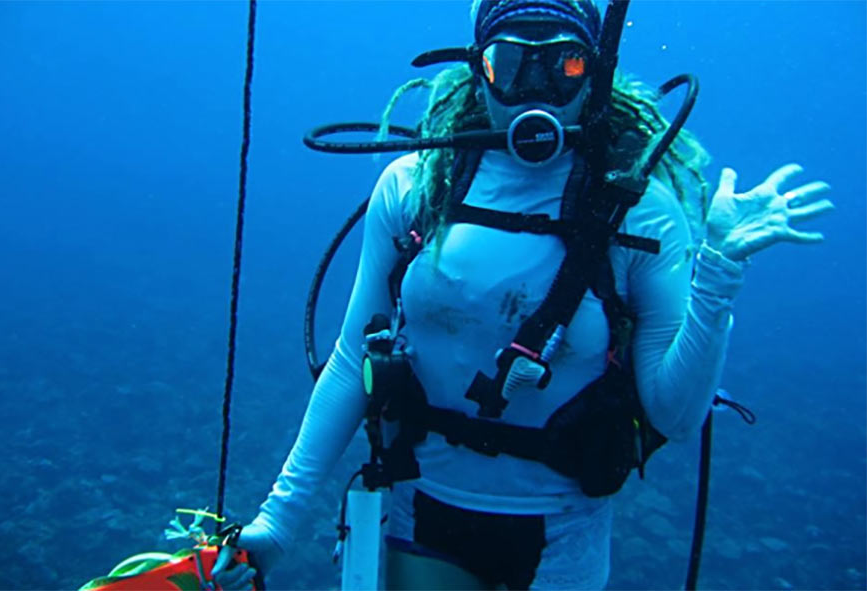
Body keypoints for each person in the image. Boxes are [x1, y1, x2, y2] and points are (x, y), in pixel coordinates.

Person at [214, 0, 834, 589]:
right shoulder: (416, 187)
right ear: (477, 71)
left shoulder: (642, 212)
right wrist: (277, 524)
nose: (535, 90)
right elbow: (352, 358)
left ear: (596, 74)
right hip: (423, 512)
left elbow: (674, 414)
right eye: (510, 66)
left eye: (563, 66)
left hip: (563, 531)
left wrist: (719, 272)